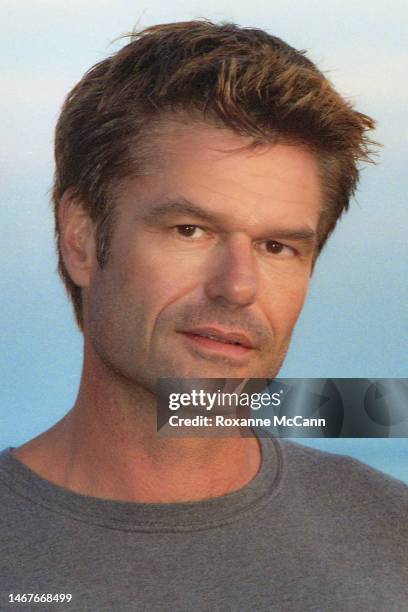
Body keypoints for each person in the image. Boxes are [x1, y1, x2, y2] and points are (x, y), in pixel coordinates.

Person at [0, 20, 406, 612]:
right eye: (190, 230)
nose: (238, 286)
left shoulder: (392, 542)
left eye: (278, 247)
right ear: (81, 239)